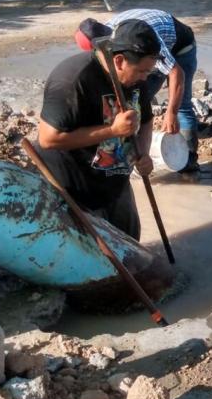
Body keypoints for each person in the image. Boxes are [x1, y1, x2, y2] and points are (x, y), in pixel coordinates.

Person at [37, 19, 161, 240]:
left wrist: (142, 154)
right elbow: (48, 139)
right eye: (142, 71)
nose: (145, 78)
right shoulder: (73, 79)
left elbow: (146, 121)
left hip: (115, 178)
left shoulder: (137, 77)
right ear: (119, 61)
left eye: (148, 72)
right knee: (89, 246)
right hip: (75, 184)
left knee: (130, 242)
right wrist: (112, 131)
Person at [76, 9, 200, 172]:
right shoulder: (107, 38)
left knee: (181, 107)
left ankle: (188, 161)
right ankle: (130, 153)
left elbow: (176, 72)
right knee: (137, 100)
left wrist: (171, 113)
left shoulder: (143, 40)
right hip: (147, 52)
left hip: (181, 47)